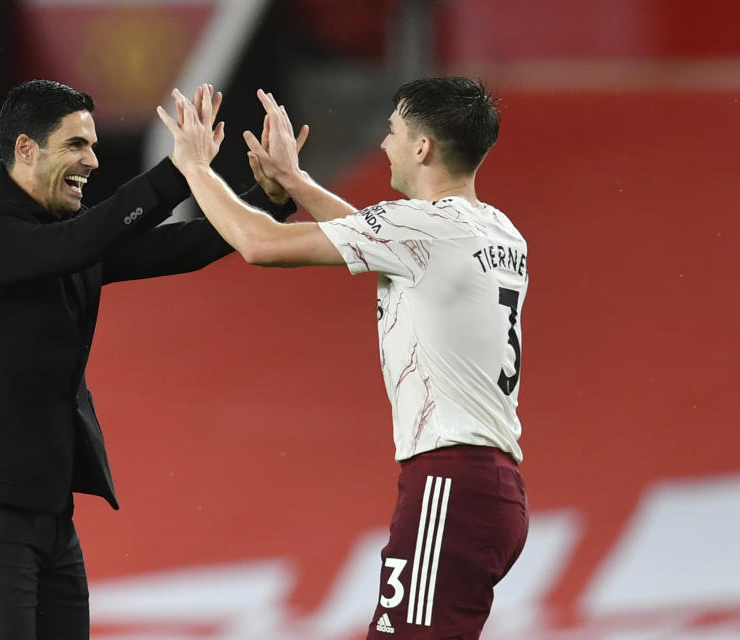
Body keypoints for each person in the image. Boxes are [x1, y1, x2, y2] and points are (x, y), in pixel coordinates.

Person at [157, 78, 529, 639]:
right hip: (491, 488)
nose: (384, 144)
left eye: (394, 132)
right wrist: (294, 181)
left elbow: (262, 245)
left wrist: (194, 168)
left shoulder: (424, 228)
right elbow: (382, 242)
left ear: (423, 148)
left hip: (449, 482)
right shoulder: (499, 231)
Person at [0, 79, 298, 640]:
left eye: (93, 146)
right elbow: (84, 241)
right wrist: (180, 172)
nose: (93, 161)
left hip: (50, 517)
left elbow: (184, 248)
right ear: (26, 149)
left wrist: (267, 199)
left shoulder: (61, 236)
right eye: (76, 145)